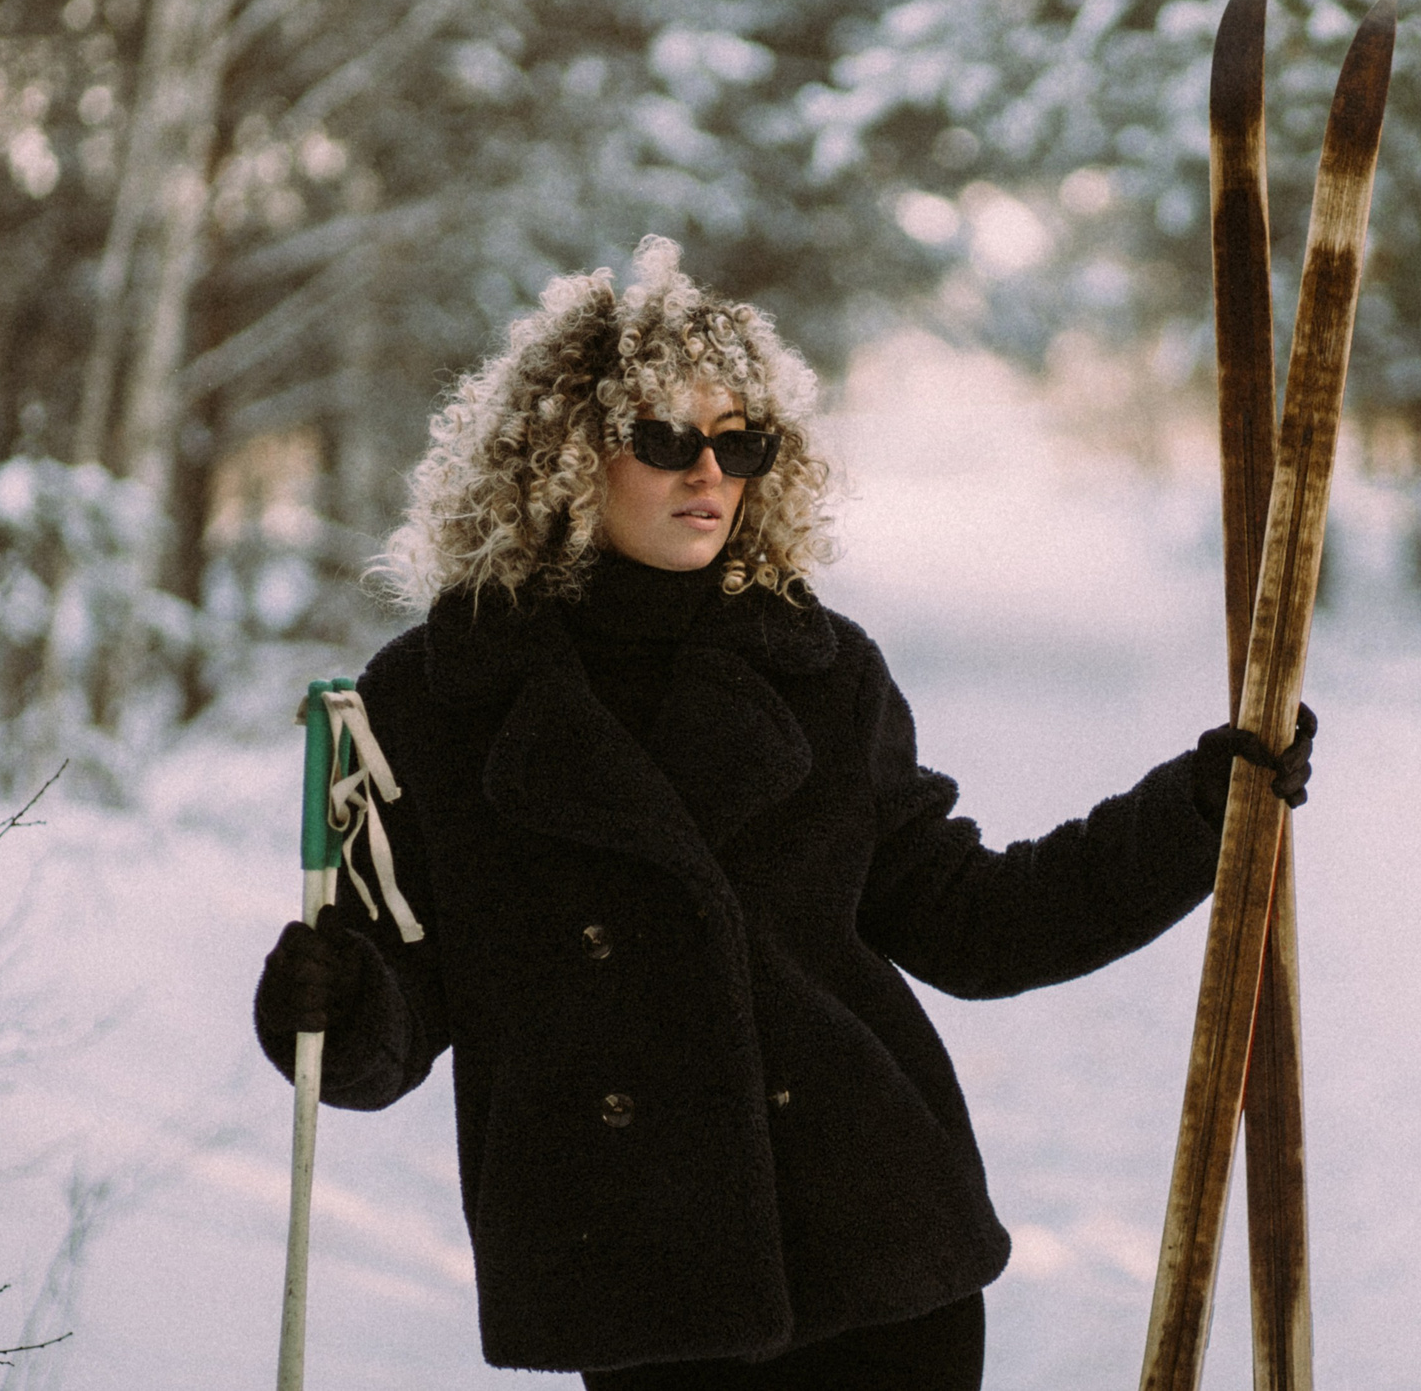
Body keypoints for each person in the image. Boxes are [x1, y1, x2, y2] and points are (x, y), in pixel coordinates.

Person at [253, 236, 1312, 1389]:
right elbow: (397, 999)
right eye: (662, 439)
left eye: (738, 442)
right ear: (563, 454)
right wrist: (335, 1003)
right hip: (647, 1283)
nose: (706, 473)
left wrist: (1201, 813)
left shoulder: (816, 670)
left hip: (878, 1249)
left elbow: (972, 921)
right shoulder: (437, 699)